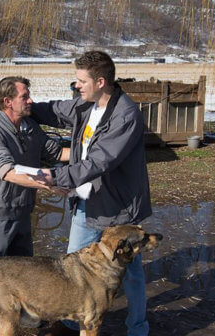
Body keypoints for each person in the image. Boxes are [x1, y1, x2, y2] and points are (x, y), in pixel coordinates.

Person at [31, 51, 153, 336]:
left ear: (100, 81)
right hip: (87, 200)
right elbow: (55, 110)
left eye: (80, 80)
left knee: (131, 273)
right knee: (74, 263)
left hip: (119, 208)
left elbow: (99, 161)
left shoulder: (126, 115)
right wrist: (24, 107)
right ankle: (76, 320)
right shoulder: (86, 105)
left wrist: (55, 175)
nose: (76, 86)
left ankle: (137, 329)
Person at [0, 76, 70, 336]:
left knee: (24, 267)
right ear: (8, 101)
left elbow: (56, 152)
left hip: (23, 208)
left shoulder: (28, 126)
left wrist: (92, 153)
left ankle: (24, 313)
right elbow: (8, 172)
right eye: (25, 96)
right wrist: (46, 184)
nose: (31, 100)